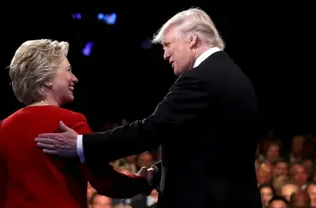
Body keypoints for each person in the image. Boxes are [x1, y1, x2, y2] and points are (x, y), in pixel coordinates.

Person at [35, 8, 262, 208]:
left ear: (192, 39)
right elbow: (214, 150)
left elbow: (150, 130)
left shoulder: (202, 78)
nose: (165, 54)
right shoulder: (233, 75)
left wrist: (81, 144)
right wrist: (162, 173)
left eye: (167, 45)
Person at [0, 39, 153, 208]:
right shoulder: (70, 122)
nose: (74, 78)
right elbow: (105, 182)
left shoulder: (5, 127)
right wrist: (141, 182)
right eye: (68, 70)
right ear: (47, 79)